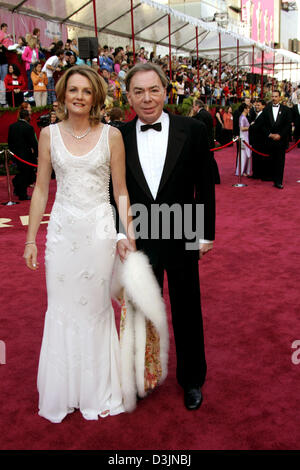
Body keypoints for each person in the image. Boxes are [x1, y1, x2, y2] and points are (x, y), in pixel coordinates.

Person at [23, 65, 135, 423]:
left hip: (99, 234)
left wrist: (126, 233)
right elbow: (41, 188)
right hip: (62, 232)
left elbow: (120, 190)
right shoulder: (48, 135)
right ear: (62, 94)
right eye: (73, 90)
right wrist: (31, 239)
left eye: (86, 91)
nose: (79, 97)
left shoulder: (112, 136)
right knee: (60, 309)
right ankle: (64, 391)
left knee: (95, 310)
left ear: (96, 96)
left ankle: (96, 389)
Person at [117, 63, 215, 411]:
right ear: (128, 96)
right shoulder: (119, 136)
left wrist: (205, 233)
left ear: (166, 91)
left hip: (183, 225)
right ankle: (144, 376)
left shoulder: (194, 129)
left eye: (153, 90)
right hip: (140, 231)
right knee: (143, 307)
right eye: (139, 91)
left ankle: (192, 380)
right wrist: (120, 233)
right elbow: (116, 191)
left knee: (188, 308)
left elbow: (204, 184)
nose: (147, 98)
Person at [262, 89, 292, 189]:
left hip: (281, 140)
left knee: (280, 161)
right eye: (273, 96)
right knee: (270, 160)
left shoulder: (286, 110)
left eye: (276, 96)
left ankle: (278, 181)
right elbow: (263, 125)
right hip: (270, 140)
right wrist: (270, 134)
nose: (274, 98)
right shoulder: (266, 109)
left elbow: (288, 125)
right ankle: (271, 177)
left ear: (280, 97)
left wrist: (280, 135)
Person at [8, 107, 38, 200]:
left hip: (15, 154)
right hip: (26, 156)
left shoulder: (12, 126)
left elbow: (9, 141)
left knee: (22, 173)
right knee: (25, 174)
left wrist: (12, 153)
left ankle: (17, 188)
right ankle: (22, 194)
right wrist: (37, 154)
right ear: (27, 117)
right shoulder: (28, 127)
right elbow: (33, 143)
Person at [192, 99, 220, 184]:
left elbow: (199, 128)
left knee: (209, 160)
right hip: (209, 141)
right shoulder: (206, 113)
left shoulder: (201, 115)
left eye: (193, 106)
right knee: (210, 160)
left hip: (206, 142)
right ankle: (214, 178)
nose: (193, 108)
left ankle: (213, 178)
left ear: (197, 106)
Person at [249, 99, 268, 180]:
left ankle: (258, 174)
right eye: (256, 105)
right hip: (256, 140)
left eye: (259, 105)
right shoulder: (258, 114)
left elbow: (258, 127)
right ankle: (256, 173)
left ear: (263, 106)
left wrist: (252, 125)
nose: (257, 106)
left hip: (260, 141)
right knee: (256, 157)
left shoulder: (263, 115)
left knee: (259, 157)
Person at [235, 103, 251, 176]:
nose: (249, 110)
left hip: (246, 137)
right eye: (247, 108)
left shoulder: (244, 117)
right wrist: (250, 127)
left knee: (246, 154)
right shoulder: (242, 117)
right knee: (243, 155)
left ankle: (243, 170)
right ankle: (241, 171)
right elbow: (241, 128)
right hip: (243, 137)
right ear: (244, 109)